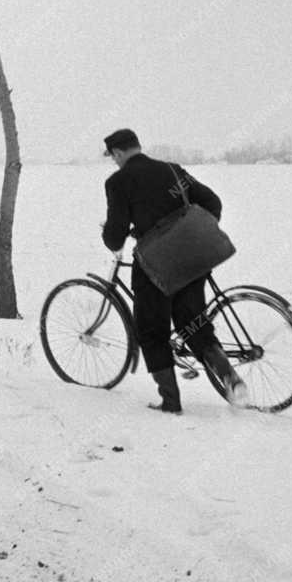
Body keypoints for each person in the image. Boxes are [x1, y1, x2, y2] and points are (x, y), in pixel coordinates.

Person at [100, 128, 246, 413]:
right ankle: (230, 377)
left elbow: (115, 236)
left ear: (118, 153)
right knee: (194, 324)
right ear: (138, 147)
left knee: (151, 328)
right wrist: (191, 229)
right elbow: (212, 202)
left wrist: (111, 236)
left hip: (156, 266)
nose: (114, 162)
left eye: (113, 157)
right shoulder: (172, 170)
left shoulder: (118, 182)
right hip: (192, 259)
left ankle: (170, 400)